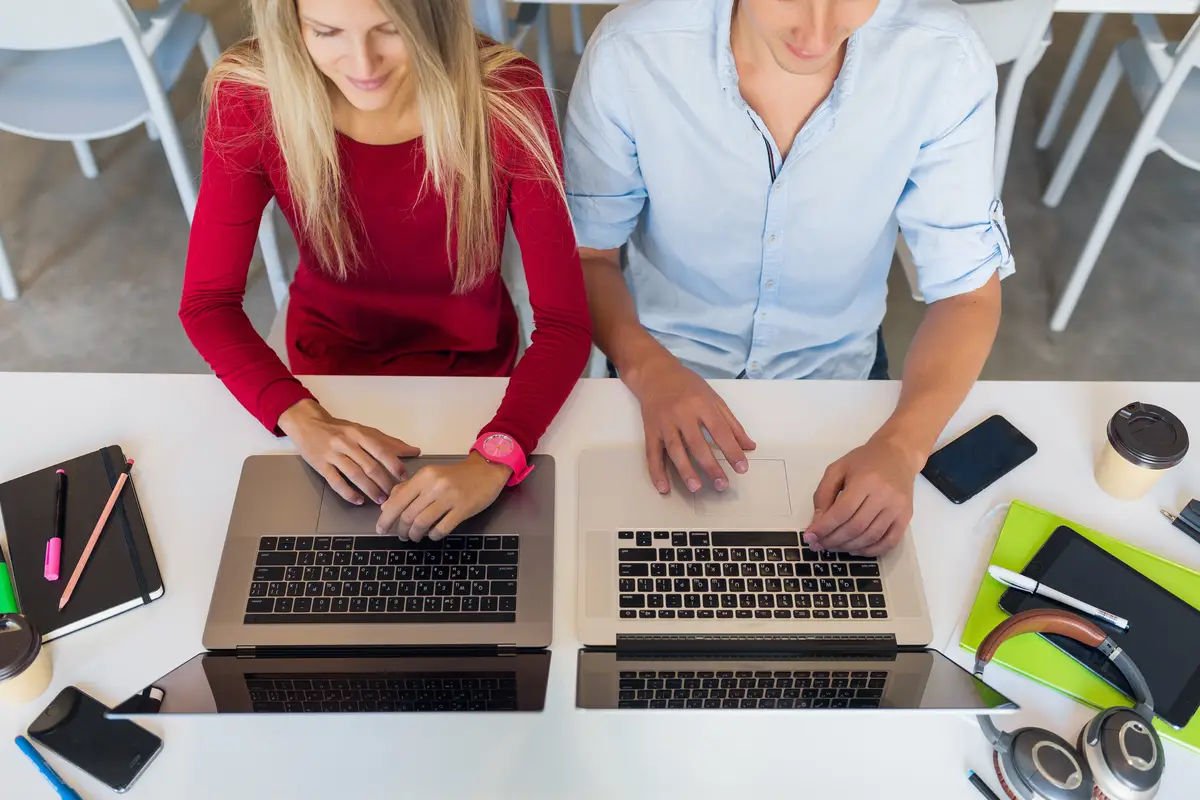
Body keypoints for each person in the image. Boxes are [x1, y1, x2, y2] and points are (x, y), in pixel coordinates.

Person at [564, 0, 1013, 556]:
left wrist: (902, 447)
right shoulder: (632, 51)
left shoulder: (943, 57)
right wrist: (648, 369)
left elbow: (968, 295)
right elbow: (587, 256)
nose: (820, 33)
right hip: (655, 373)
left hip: (843, 385)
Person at [180, 0, 591, 541]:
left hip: (479, 384)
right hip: (321, 379)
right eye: (326, 32)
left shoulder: (505, 96)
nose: (363, 64)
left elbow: (565, 324)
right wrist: (302, 418)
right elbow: (207, 305)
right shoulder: (251, 96)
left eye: (390, 31)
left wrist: (498, 454)